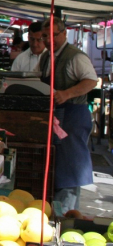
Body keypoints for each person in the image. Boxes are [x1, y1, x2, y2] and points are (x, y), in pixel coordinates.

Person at [38, 17, 97, 214]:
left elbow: (91, 81)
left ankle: (67, 216)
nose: (50, 40)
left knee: (70, 167)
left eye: (55, 35)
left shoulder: (75, 57)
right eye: (46, 36)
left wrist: (67, 93)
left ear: (64, 34)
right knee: (56, 167)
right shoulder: (46, 57)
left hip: (72, 118)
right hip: (54, 118)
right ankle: (55, 214)